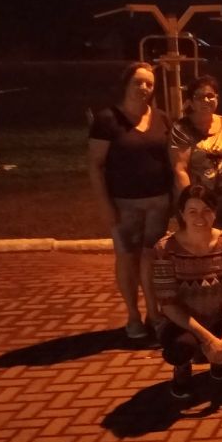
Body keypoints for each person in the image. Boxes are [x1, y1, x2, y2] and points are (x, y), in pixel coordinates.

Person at [152, 185, 222, 399]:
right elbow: (168, 304)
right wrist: (209, 339)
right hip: (180, 323)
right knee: (179, 350)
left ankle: (218, 360)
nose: (200, 217)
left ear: (215, 212)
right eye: (192, 211)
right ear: (182, 214)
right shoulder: (165, 249)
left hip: (217, 317)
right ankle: (182, 368)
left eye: (206, 210)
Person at [88, 62, 172, 339]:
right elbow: (96, 165)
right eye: (138, 82)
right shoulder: (107, 120)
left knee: (151, 257)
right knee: (127, 257)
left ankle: (154, 313)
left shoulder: (161, 118)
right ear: (126, 84)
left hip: (159, 201)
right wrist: (104, 205)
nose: (144, 88)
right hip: (124, 203)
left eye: (149, 83)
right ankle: (133, 316)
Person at [169, 75, 222, 230]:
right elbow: (180, 169)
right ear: (191, 102)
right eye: (199, 97)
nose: (205, 100)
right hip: (195, 199)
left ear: (217, 98)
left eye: (210, 96)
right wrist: (191, 202)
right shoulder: (181, 128)